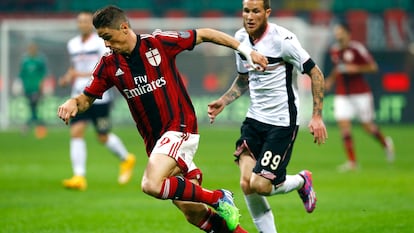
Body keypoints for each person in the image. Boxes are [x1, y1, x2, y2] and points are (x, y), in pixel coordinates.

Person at [57, 5, 268, 233]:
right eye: (102, 39)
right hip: (156, 143)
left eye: (108, 37)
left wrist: (246, 51)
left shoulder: (158, 42)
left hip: (180, 127)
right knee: (193, 212)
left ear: (124, 27)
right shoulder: (109, 65)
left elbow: (205, 33)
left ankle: (218, 197)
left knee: (151, 184)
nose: (106, 44)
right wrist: (73, 103)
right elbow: (86, 98)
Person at [207, 1, 328, 232]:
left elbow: (315, 72)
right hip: (255, 120)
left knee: (261, 185)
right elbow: (244, 79)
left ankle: (302, 180)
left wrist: (317, 116)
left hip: (282, 123)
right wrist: (223, 100)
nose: (249, 16)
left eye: (255, 11)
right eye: (246, 11)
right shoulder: (240, 38)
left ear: (267, 13)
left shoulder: (284, 40)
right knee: (246, 183)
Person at [58, 11, 136, 190]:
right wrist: (68, 77)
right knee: (76, 132)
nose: (83, 24)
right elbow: (74, 67)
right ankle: (79, 177)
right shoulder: (73, 44)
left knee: (103, 136)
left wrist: (80, 74)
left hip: (99, 96)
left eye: (86, 21)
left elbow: (105, 67)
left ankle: (126, 158)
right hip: (79, 95)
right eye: (80, 21)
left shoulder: (101, 42)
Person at [325, 21, 395, 172]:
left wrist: (355, 68)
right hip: (342, 93)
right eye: (336, 31)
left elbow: (373, 67)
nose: (337, 34)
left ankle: (386, 143)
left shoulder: (357, 49)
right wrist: (330, 80)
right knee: (344, 125)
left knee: (367, 126)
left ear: (347, 33)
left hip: (360, 93)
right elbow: (339, 69)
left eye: (339, 31)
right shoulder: (334, 50)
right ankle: (352, 162)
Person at [18, 42, 48, 139]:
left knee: (34, 106)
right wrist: (19, 84)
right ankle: (39, 126)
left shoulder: (40, 60)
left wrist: (42, 86)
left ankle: (29, 126)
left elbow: (44, 74)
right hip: (27, 88)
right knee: (33, 108)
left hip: (36, 88)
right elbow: (21, 74)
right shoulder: (25, 61)